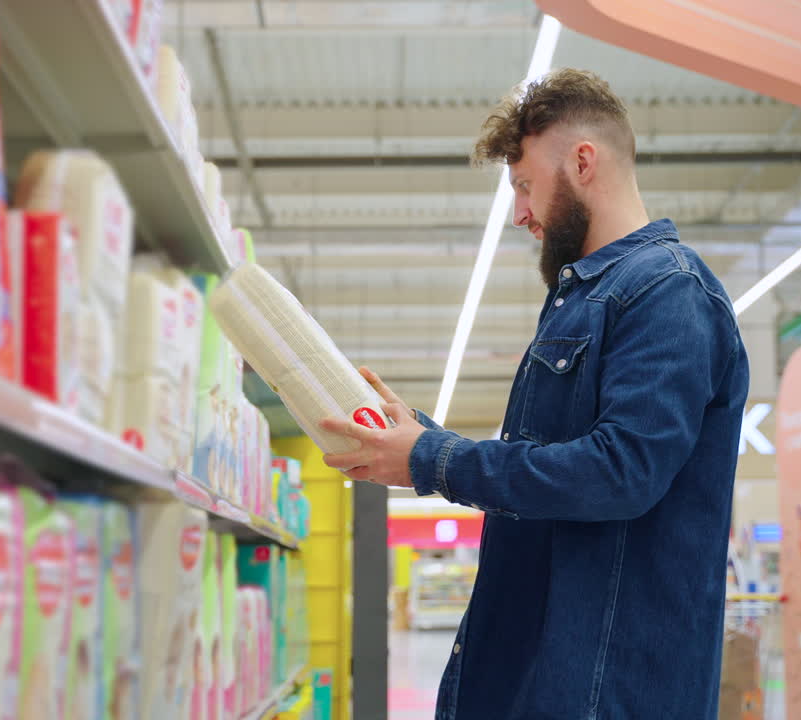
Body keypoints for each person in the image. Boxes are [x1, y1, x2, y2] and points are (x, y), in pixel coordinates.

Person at [319, 68, 750, 719]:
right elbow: (552, 472)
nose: (520, 213)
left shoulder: (667, 291)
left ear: (582, 162)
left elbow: (620, 473)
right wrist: (422, 439)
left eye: (524, 185)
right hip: (543, 675)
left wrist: (432, 460)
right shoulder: (585, 300)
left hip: (608, 691)